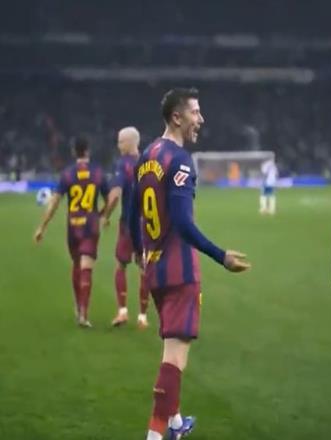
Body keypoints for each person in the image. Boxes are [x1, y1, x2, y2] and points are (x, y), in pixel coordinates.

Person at [129, 88, 251, 440]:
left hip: (154, 269)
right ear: (177, 117)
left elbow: (132, 213)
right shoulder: (179, 160)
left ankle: (176, 423)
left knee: (170, 349)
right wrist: (221, 256)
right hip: (180, 270)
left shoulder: (147, 155)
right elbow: (183, 223)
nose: (201, 119)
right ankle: (155, 436)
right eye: (196, 113)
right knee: (174, 360)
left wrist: (139, 251)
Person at [34, 135, 109, 327]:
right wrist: (103, 215)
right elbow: (111, 198)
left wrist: (42, 227)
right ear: (88, 150)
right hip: (90, 225)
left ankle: (78, 307)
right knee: (86, 267)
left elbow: (54, 203)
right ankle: (83, 314)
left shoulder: (67, 174)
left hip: (73, 226)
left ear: (74, 152)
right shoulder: (98, 173)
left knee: (77, 265)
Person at [101, 126, 149, 329]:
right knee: (144, 268)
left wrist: (105, 215)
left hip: (129, 223)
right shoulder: (150, 162)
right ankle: (143, 317)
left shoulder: (123, 164)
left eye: (121, 141)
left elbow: (114, 195)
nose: (118, 145)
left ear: (130, 142)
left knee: (121, 265)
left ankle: (122, 312)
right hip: (148, 225)